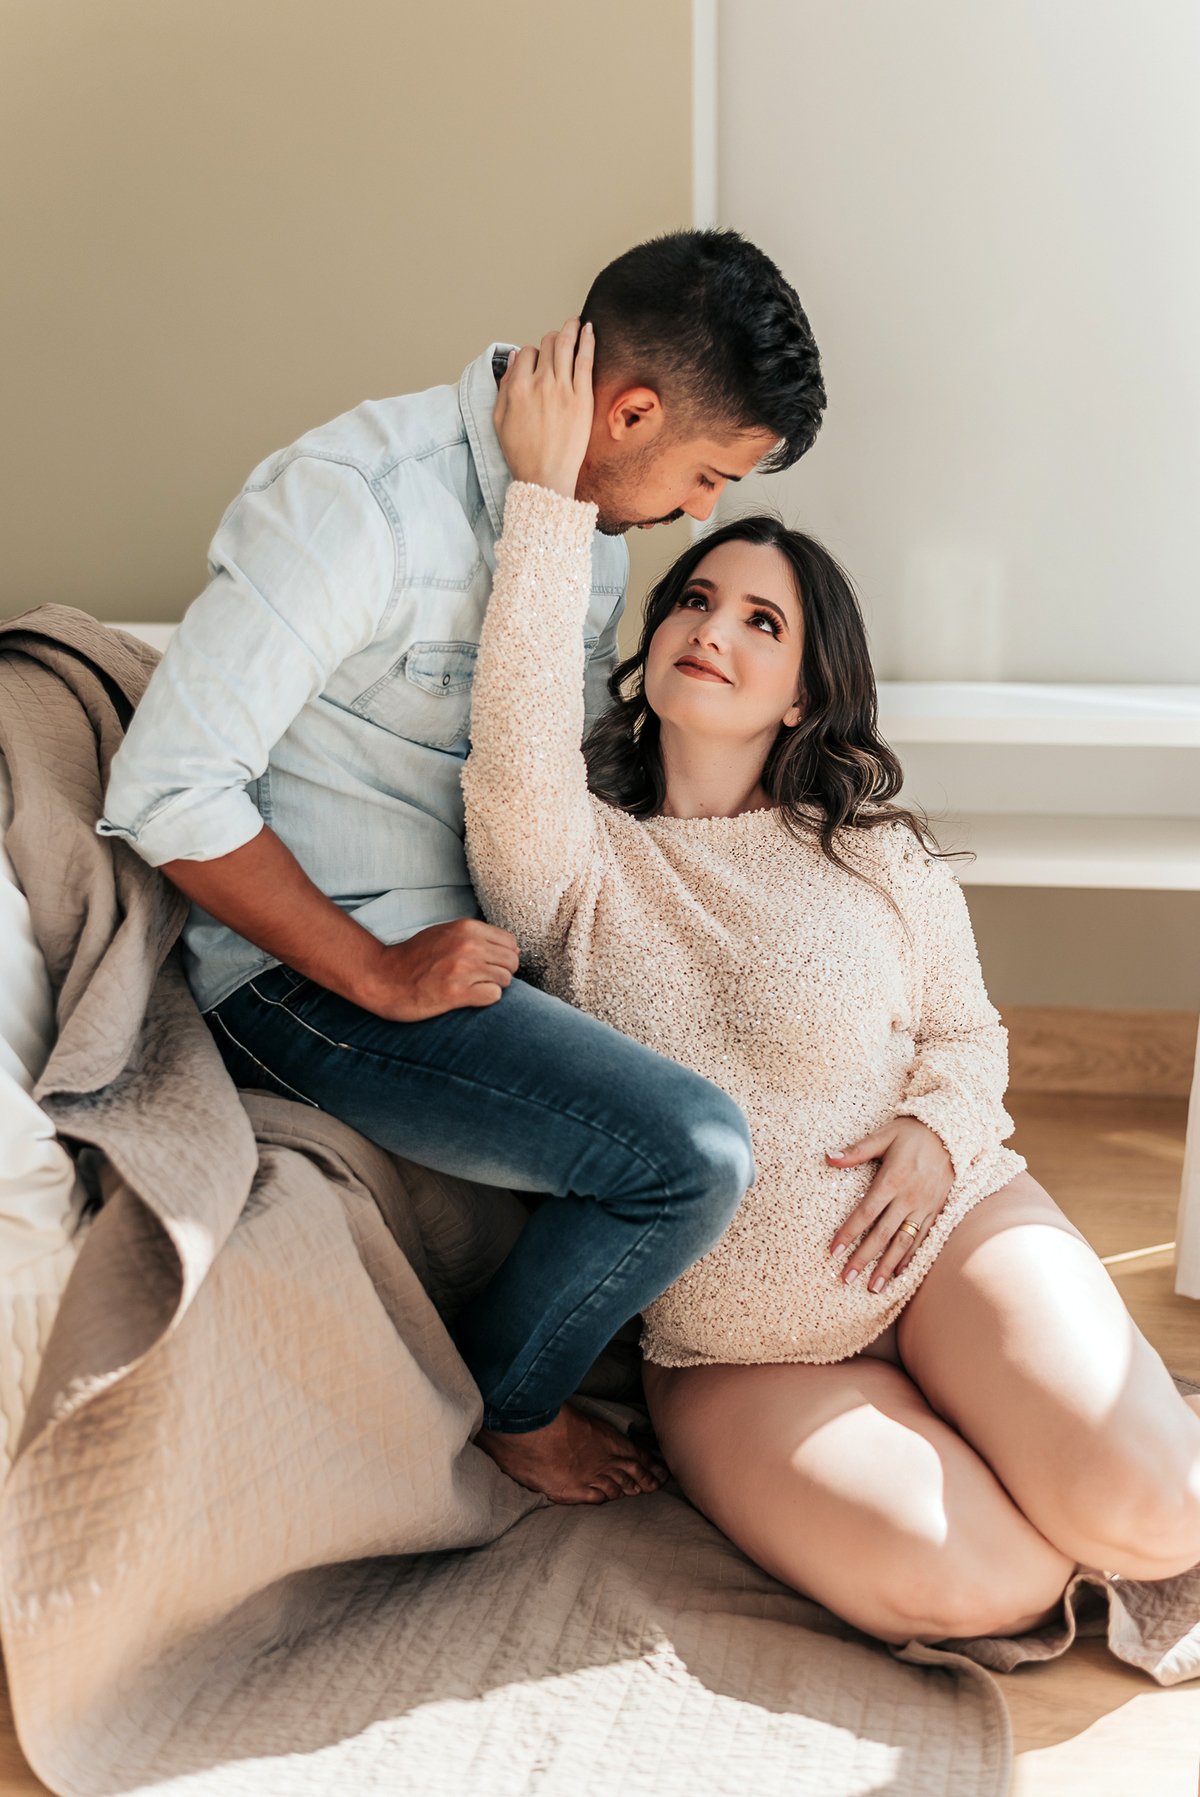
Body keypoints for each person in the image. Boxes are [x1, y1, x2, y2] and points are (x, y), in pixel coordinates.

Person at [459, 318, 1200, 1642]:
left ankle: (1017, 1420)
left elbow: (968, 1036)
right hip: (741, 1354)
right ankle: (974, 1443)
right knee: (989, 1586)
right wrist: (549, 499)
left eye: (763, 621)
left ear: (804, 693)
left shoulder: (873, 853)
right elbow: (513, 733)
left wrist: (939, 1132)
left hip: (950, 1242)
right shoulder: (576, 858)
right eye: (693, 600)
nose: (713, 629)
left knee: (1158, 1513)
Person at [99, 230, 827, 1504]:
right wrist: (376, 971)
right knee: (694, 1155)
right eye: (708, 474)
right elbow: (168, 787)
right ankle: (509, 1404)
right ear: (631, 413)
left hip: (490, 954)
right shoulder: (359, 502)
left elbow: (543, 770)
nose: (704, 512)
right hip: (305, 979)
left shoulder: (586, 530)